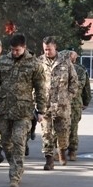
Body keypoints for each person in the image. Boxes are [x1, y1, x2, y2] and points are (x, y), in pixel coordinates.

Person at [0, 33, 46, 187]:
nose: (14, 53)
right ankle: (14, 165)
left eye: (17, 50)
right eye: (12, 50)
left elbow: (40, 89)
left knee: (18, 141)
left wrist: (41, 110)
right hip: (4, 110)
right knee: (6, 142)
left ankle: (15, 175)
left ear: (24, 47)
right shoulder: (2, 62)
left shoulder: (34, 64)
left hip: (23, 111)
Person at [38, 36, 78, 170]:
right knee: (46, 133)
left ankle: (62, 150)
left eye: (49, 49)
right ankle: (49, 159)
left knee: (63, 133)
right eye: (45, 49)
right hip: (45, 105)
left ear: (55, 47)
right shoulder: (39, 62)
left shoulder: (65, 61)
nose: (47, 52)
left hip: (62, 106)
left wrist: (68, 97)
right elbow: (35, 82)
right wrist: (36, 99)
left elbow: (74, 81)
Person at [64, 49, 91, 161]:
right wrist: (86, 101)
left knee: (62, 128)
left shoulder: (60, 68)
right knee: (72, 128)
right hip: (73, 104)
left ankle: (67, 150)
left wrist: (85, 101)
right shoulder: (81, 70)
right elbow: (87, 89)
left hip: (68, 104)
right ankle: (71, 151)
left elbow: (86, 88)